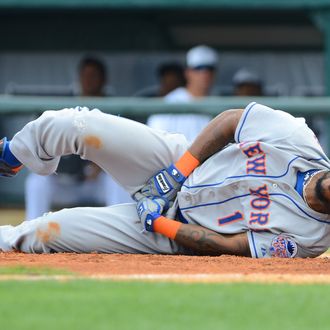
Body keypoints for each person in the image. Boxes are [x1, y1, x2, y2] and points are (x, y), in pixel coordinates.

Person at [0, 102, 330, 258]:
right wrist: (175, 174)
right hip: (176, 164)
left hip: (172, 231)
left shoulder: (312, 237)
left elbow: (231, 245)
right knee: (76, 125)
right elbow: (230, 122)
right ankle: (11, 156)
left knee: (45, 232)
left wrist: (160, 224)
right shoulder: (298, 139)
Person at [25, 57, 131, 220]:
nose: (88, 80)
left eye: (93, 76)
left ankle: (122, 230)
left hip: (96, 184)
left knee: (116, 182)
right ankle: (30, 232)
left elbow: (127, 150)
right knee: (36, 181)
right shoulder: (66, 107)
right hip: (66, 184)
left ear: (103, 80)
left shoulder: (115, 108)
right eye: (85, 75)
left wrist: (104, 163)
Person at [147, 45, 219, 143]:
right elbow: (155, 141)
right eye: (199, 68)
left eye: (209, 69)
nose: (205, 74)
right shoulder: (170, 102)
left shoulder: (217, 104)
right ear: (188, 72)